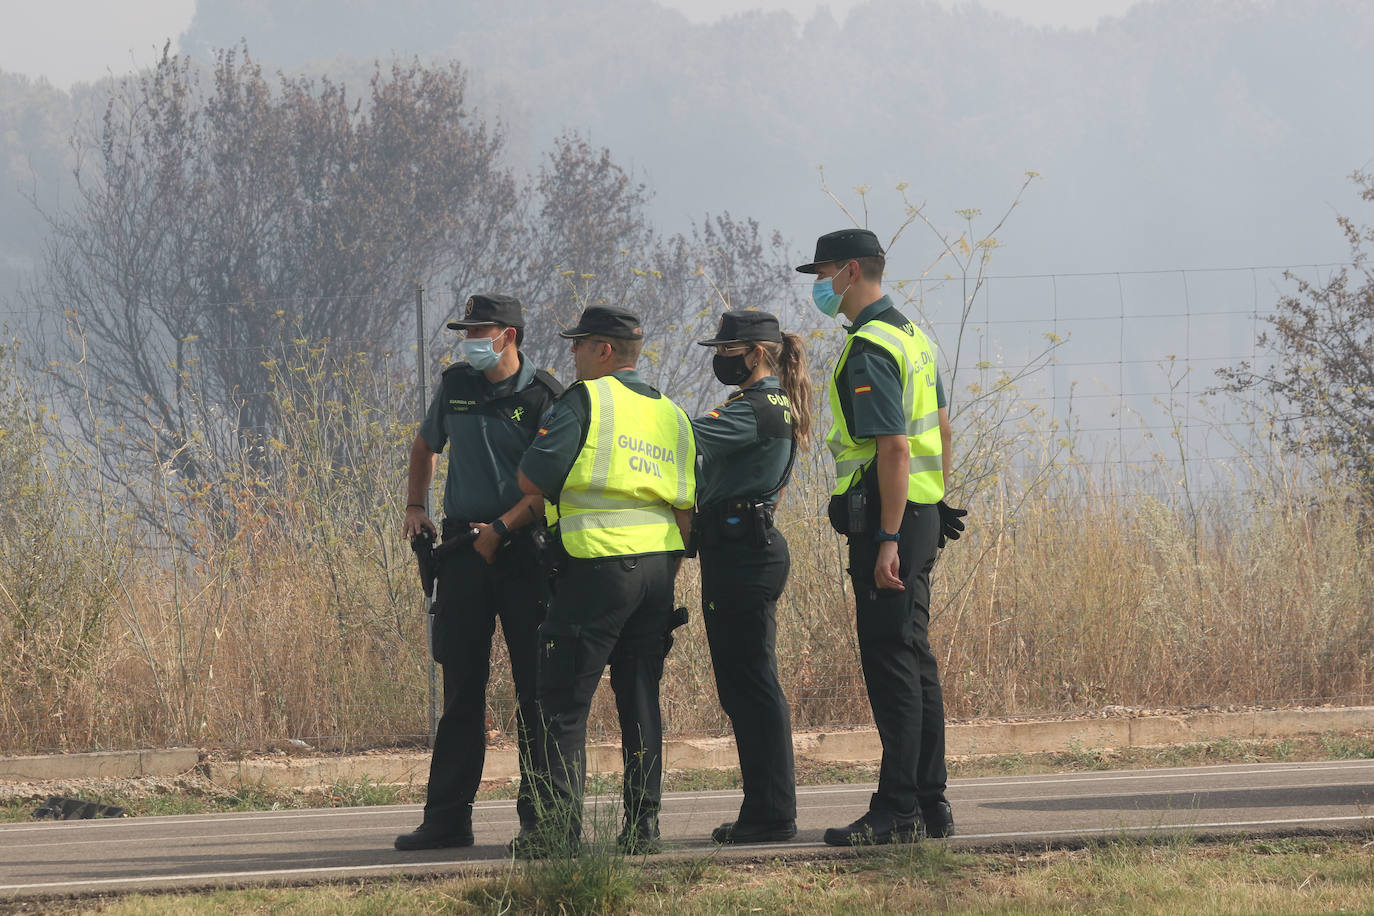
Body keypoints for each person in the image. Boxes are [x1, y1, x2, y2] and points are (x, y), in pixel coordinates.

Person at [796, 229, 967, 845]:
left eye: (820, 273)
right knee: (915, 659)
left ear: (848, 271)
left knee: (892, 662)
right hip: (920, 514)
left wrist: (889, 536)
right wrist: (932, 501)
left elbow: (894, 445)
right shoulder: (913, 335)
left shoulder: (870, 345)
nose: (817, 286)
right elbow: (942, 433)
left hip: (889, 522)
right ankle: (929, 802)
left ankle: (896, 810)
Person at [515, 305, 696, 856]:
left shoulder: (585, 400)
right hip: (659, 572)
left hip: (596, 569)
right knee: (639, 697)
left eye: (579, 344)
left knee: (562, 705)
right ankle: (643, 830)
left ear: (606, 350)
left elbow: (532, 477)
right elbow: (688, 511)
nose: (571, 353)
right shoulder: (673, 412)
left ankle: (556, 835)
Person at [395, 293, 564, 851]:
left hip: (522, 552)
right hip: (463, 550)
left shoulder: (546, 396)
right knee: (461, 689)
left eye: (479, 330)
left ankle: (541, 823)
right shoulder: (456, 385)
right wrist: (415, 506)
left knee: (535, 693)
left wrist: (505, 529)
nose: (469, 339)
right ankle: (446, 819)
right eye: (465, 330)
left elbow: (555, 486)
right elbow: (425, 446)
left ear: (509, 335)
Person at [690, 310, 812, 845]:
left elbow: (688, 437)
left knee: (752, 686)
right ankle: (763, 808)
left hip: (743, 555)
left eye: (727, 349)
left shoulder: (755, 407)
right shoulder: (771, 403)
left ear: (756, 353)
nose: (720, 358)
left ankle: (770, 813)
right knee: (747, 685)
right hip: (742, 548)